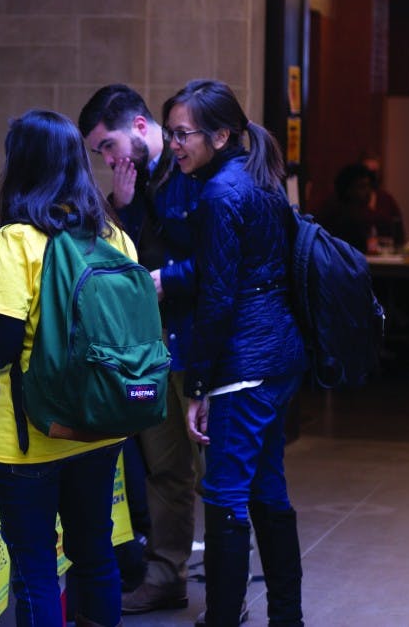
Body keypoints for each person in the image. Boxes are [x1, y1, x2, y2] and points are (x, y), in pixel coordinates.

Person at [0, 109, 135, 626]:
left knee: (35, 568)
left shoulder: (17, 240)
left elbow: (3, 345)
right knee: (94, 553)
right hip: (100, 425)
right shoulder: (115, 237)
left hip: (29, 437)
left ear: (22, 164)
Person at [160, 79, 307, 626]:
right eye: (171, 133)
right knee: (267, 490)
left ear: (220, 136)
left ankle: (222, 617)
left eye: (183, 134)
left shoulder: (220, 194)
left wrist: (198, 386)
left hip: (245, 364)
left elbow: (218, 299)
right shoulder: (260, 179)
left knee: (224, 494)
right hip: (278, 357)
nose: (174, 145)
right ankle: (287, 617)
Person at [78, 84, 202, 616]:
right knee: (164, 467)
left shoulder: (190, 171)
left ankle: (226, 590)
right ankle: (166, 575)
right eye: (99, 152)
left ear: (140, 127)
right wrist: (121, 208)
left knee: (214, 473)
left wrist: (166, 280)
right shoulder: (132, 187)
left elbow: (215, 260)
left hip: (196, 342)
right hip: (150, 348)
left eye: (108, 145)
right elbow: (116, 265)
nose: (107, 160)